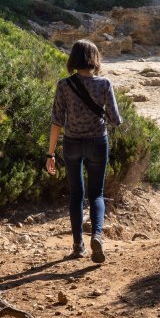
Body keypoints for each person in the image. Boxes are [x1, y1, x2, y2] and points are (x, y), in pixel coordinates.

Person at [47, 39, 122, 263]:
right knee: (96, 193)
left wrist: (49, 154)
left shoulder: (63, 85)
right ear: (95, 59)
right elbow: (116, 120)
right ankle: (97, 236)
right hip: (98, 143)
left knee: (76, 195)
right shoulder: (105, 84)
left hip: (71, 143)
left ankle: (78, 245)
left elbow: (56, 122)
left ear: (73, 59)